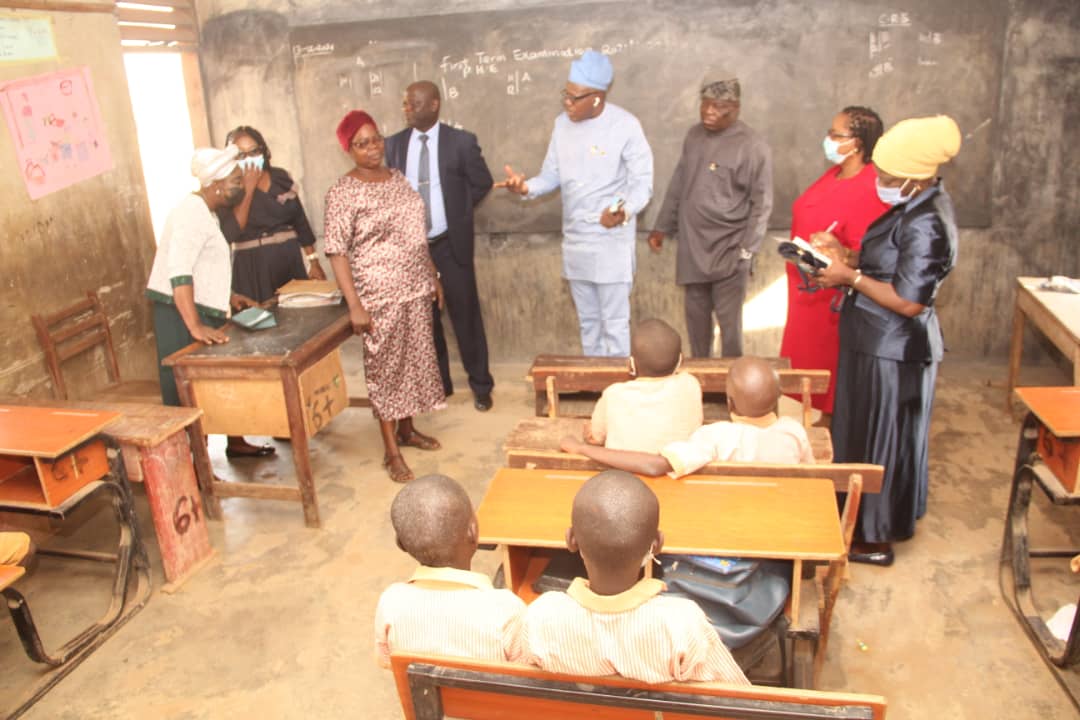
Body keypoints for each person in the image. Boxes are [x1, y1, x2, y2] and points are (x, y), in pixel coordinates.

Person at [813, 115, 962, 567]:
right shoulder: (914, 204)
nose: (881, 182)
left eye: (889, 177)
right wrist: (846, 254)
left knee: (884, 445)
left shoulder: (927, 222)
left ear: (915, 177)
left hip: (893, 351)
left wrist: (849, 276)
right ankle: (861, 519)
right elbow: (891, 261)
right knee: (863, 436)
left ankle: (875, 538)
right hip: (875, 341)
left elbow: (909, 300)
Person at [508, 470, 749, 685]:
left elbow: (515, 681)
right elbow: (736, 699)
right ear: (656, 545)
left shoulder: (541, 616)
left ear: (571, 540)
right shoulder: (683, 624)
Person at [496, 50, 653, 357]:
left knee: (615, 326)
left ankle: (616, 384)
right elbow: (551, 175)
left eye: (574, 97)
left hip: (610, 243)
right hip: (577, 242)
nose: (567, 102)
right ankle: (593, 381)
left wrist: (623, 211)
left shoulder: (625, 126)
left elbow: (641, 184)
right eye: (565, 94)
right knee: (589, 324)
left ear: (596, 98)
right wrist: (526, 187)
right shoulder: (562, 126)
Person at [324, 110, 446, 484]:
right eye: (362, 143)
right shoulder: (343, 192)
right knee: (386, 371)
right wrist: (355, 305)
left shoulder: (397, 178)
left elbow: (416, 235)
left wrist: (432, 275)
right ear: (348, 150)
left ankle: (407, 430)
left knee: (414, 361)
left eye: (376, 139)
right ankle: (391, 451)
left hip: (416, 287)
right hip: (379, 295)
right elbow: (336, 251)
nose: (373, 148)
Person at [145, 146, 276, 459]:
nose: (241, 185)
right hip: (179, 315)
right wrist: (195, 325)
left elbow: (202, 266)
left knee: (217, 382)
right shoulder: (190, 214)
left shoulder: (207, 212)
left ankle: (235, 441)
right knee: (189, 390)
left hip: (199, 307)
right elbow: (179, 273)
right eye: (235, 181)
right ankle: (193, 462)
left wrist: (228, 296)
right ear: (216, 184)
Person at [385, 81, 496, 411]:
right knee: (427, 320)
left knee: (466, 317)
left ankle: (481, 385)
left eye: (413, 104)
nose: (407, 109)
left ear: (434, 105)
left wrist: (457, 212)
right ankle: (440, 385)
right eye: (405, 104)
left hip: (451, 245)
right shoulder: (394, 145)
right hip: (414, 250)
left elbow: (482, 182)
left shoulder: (461, 142)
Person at [648, 71, 772, 359]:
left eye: (719, 107)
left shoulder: (753, 146)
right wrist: (662, 226)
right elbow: (680, 182)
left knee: (730, 330)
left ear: (735, 109)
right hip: (693, 249)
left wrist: (747, 250)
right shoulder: (694, 136)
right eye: (705, 104)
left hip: (730, 251)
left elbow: (762, 203)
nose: (709, 112)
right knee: (696, 326)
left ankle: (732, 380)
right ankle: (700, 376)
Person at [779, 107, 888, 427]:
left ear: (858, 143)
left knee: (831, 369)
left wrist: (840, 253)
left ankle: (833, 428)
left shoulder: (869, 186)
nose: (828, 140)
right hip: (807, 294)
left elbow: (869, 253)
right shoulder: (835, 174)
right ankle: (821, 420)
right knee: (805, 365)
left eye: (836, 135)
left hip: (832, 298)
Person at [562, 356, 814, 477]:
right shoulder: (793, 431)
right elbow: (810, 478)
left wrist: (582, 449)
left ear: (729, 403)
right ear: (778, 397)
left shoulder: (716, 437)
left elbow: (655, 465)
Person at [374, 474, 525, 667]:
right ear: (473, 532)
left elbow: (387, 662)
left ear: (401, 544)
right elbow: (525, 674)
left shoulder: (391, 603)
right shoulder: (507, 611)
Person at [217, 126, 325, 304]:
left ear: (263, 151)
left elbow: (300, 221)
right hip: (252, 267)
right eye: (241, 155)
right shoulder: (227, 188)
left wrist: (313, 261)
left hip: (289, 259)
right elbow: (230, 232)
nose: (249, 159)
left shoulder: (280, 177)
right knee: (261, 317)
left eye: (254, 151)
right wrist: (249, 186)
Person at [584, 318, 702, 453]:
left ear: (631, 364)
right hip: (676, 465)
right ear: (680, 361)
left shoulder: (613, 395)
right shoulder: (690, 386)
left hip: (623, 466)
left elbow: (595, 437)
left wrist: (590, 432)